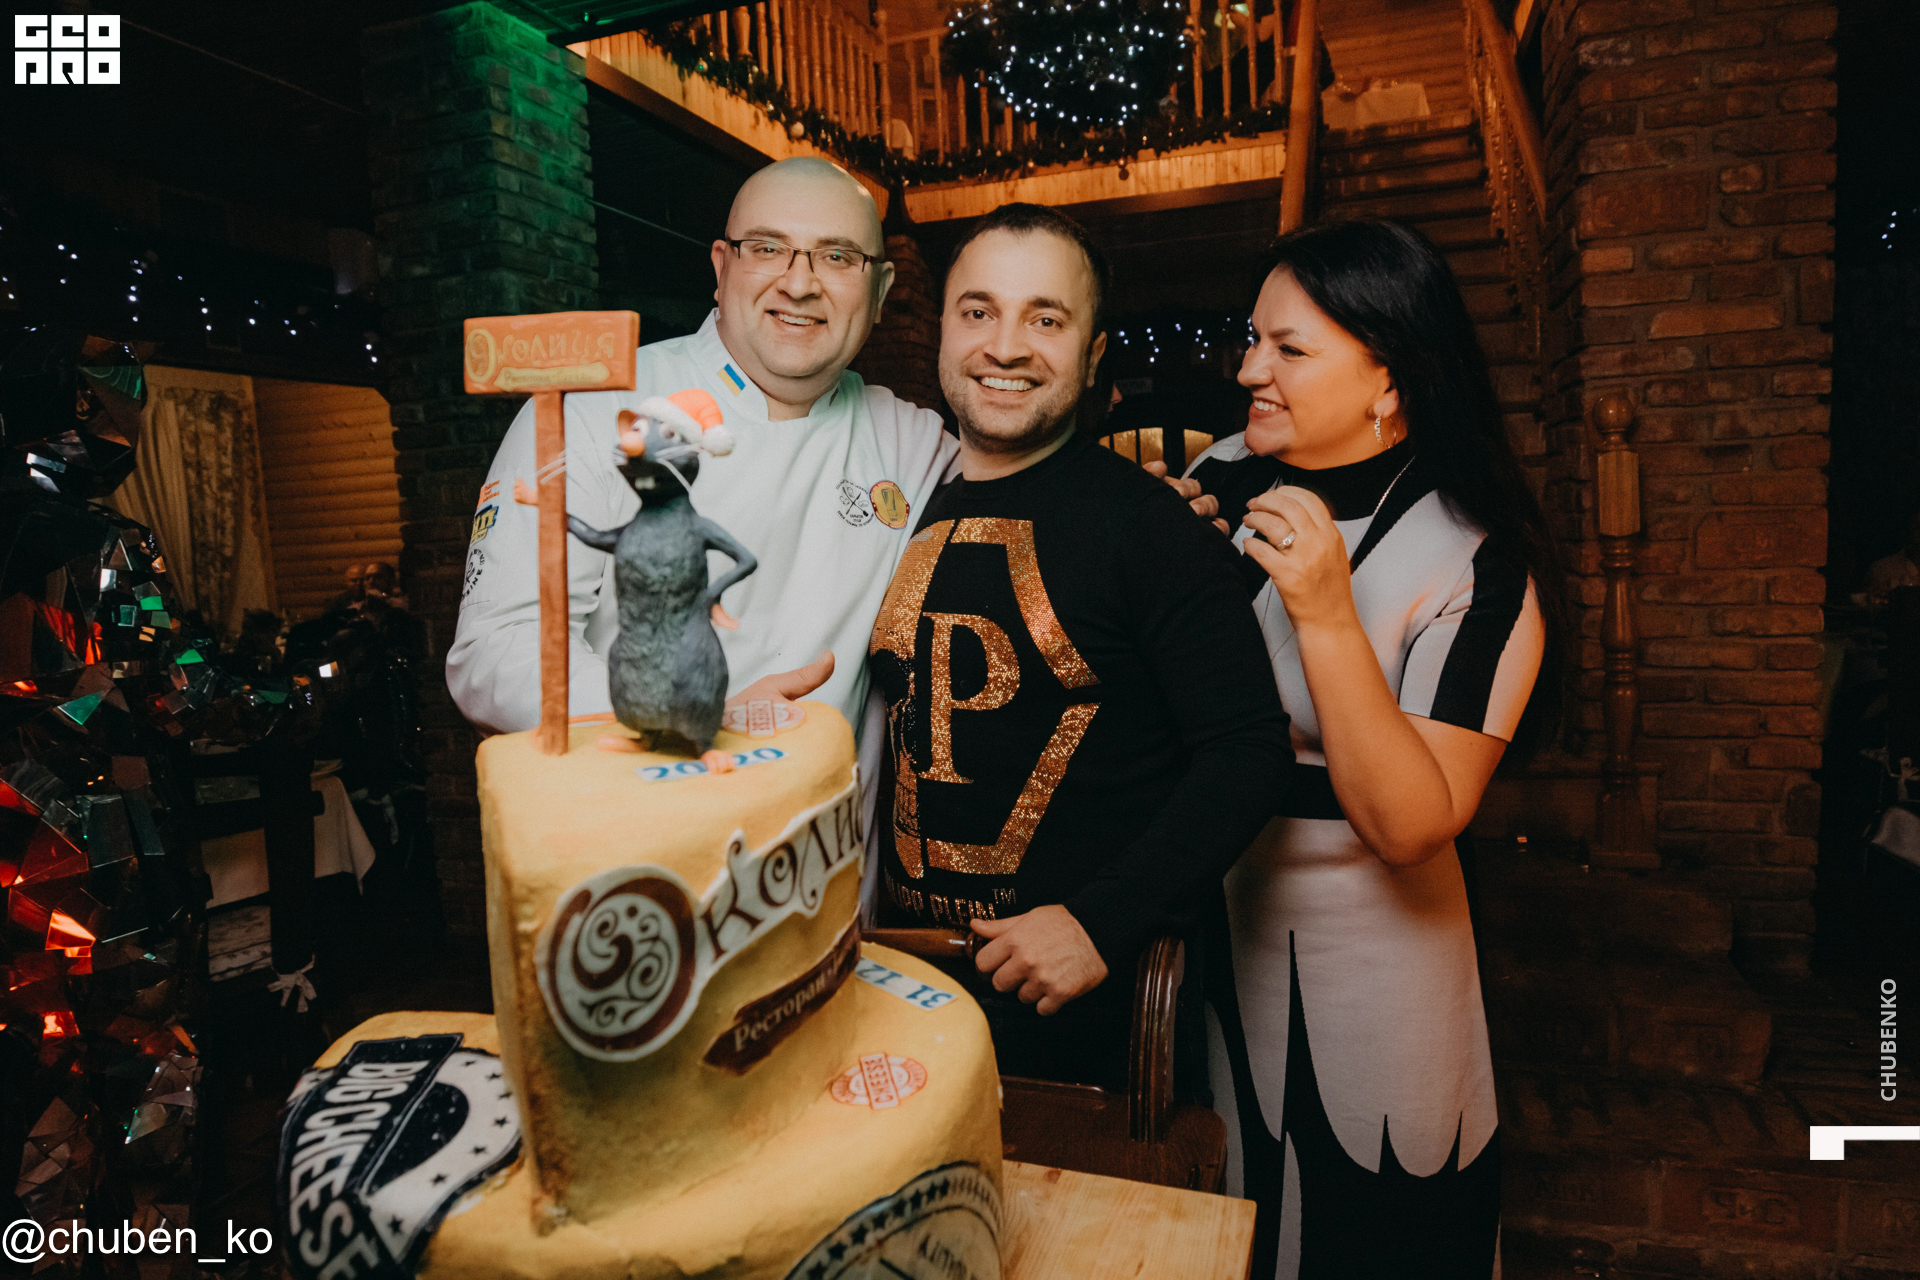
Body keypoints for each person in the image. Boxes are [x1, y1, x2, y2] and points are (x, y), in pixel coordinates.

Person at [1175, 220, 1562, 1280]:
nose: (1248, 369)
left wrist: (1328, 614)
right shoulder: (1221, 475)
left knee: (1370, 1223)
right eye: (1252, 338)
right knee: (1223, 1213)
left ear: (1388, 375)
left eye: (1288, 348)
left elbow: (1410, 823)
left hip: (1374, 963)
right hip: (1210, 928)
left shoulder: (1474, 559)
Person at [867, 203, 1292, 1086]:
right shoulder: (902, 507)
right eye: (979, 311)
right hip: (898, 993)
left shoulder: (1151, 526)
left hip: (1080, 1025)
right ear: (942, 329)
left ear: (1093, 355)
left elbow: (1249, 749)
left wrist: (1102, 922)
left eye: (1045, 319)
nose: (1005, 347)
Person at [448, 158, 958, 762]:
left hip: (836, 826)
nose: (799, 284)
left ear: (881, 292)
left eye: (838, 256)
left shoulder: (912, 441)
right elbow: (496, 650)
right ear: (721, 268)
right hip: (647, 815)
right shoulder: (591, 408)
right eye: (767, 249)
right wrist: (693, 717)